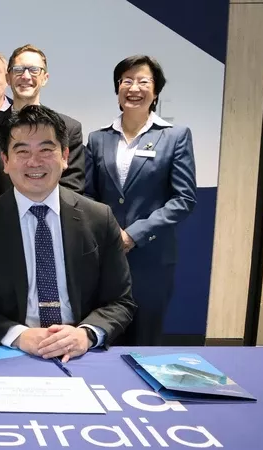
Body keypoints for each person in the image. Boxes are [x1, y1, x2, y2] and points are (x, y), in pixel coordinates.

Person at [0, 105, 135, 361]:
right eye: (22, 151)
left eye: (46, 150)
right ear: (5, 161)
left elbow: (120, 302)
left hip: (81, 353)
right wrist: (19, 335)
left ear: (65, 156)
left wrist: (87, 334)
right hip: (9, 354)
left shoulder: (99, 218)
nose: (34, 162)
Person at [85, 55, 197, 346]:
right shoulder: (98, 139)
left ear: (156, 91)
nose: (134, 88)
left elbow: (184, 199)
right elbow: (87, 196)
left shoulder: (175, 136)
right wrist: (110, 233)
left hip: (152, 259)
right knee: (103, 336)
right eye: (126, 81)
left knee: (144, 340)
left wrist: (134, 234)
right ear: (117, 90)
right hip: (105, 257)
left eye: (143, 81)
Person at [0, 44, 85, 208]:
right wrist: (9, 219)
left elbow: (72, 188)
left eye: (34, 70)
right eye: (18, 70)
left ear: (45, 78)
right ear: (8, 78)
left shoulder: (69, 128)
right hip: (1, 220)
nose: (26, 76)